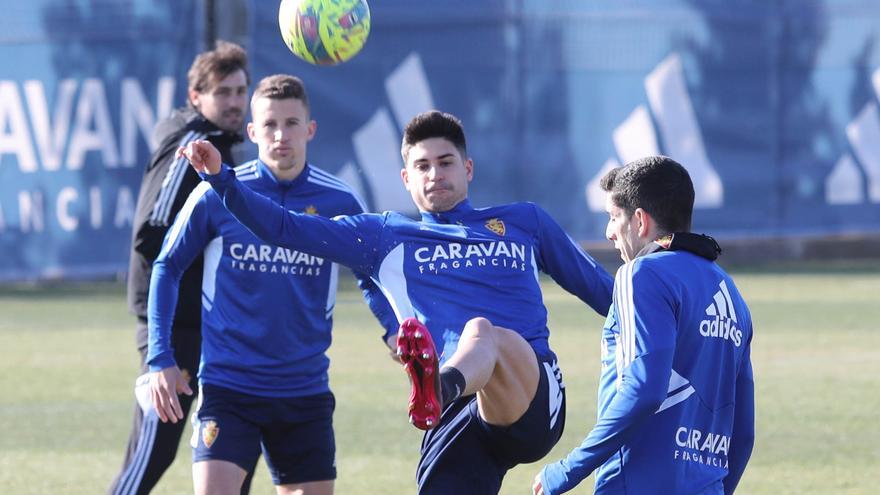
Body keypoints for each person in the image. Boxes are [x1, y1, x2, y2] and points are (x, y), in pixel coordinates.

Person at [177, 110, 615, 494]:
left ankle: (437, 387)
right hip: (456, 413)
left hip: (528, 394)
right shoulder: (383, 237)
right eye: (421, 166)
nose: (434, 174)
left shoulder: (524, 222)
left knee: (484, 332)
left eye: (445, 163)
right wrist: (222, 180)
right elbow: (285, 228)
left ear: (468, 168)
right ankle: (439, 391)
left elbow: (602, 289)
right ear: (406, 179)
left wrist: (669, 330)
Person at [148, 74, 396, 495]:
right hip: (229, 386)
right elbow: (168, 264)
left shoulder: (339, 201)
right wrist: (160, 356)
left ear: (311, 129)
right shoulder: (217, 192)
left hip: (304, 390)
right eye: (269, 125)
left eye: (292, 123)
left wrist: (392, 327)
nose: (281, 135)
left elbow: (369, 275)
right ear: (252, 131)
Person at [532, 156, 755, 495]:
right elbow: (743, 432)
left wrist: (566, 470)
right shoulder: (730, 293)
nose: (609, 232)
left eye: (612, 217)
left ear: (639, 220)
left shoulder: (640, 274)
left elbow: (644, 389)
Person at [110, 40, 253, 495]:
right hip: (177, 326)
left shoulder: (224, 150)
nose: (234, 101)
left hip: (214, 327)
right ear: (196, 97)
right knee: (154, 449)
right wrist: (163, 345)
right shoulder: (193, 146)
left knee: (230, 452)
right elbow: (152, 234)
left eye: (240, 90)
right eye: (223, 92)